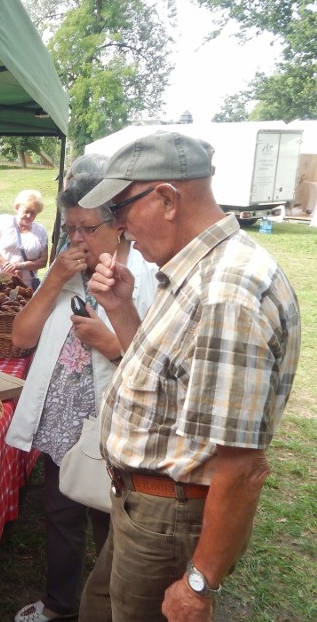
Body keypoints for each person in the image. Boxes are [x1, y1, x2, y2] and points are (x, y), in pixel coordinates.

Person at [77, 131, 301, 622]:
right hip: (146, 506)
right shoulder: (197, 272)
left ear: (166, 199)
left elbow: (243, 467)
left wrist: (198, 583)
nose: (120, 228)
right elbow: (167, 381)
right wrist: (119, 308)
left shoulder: (228, 290)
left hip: (169, 515)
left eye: (120, 210)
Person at [6, 175, 158, 622]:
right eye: (70, 228)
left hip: (116, 424)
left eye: (88, 228)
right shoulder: (65, 273)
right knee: (61, 513)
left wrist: (108, 343)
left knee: (113, 520)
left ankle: (113, 605)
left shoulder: (146, 277)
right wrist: (53, 280)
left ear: (120, 226)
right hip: (62, 421)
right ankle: (60, 604)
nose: (77, 239)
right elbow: (20, 336)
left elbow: (158, 369)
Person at [0, 189, 50, 287]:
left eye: (33, 213)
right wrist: (7, 265)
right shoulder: (3, 222)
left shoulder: (40, 231)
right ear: (17, 207)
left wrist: (20, 266)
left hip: (26, 287)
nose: (29, 216)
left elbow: (43, 261)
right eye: (26, 211)